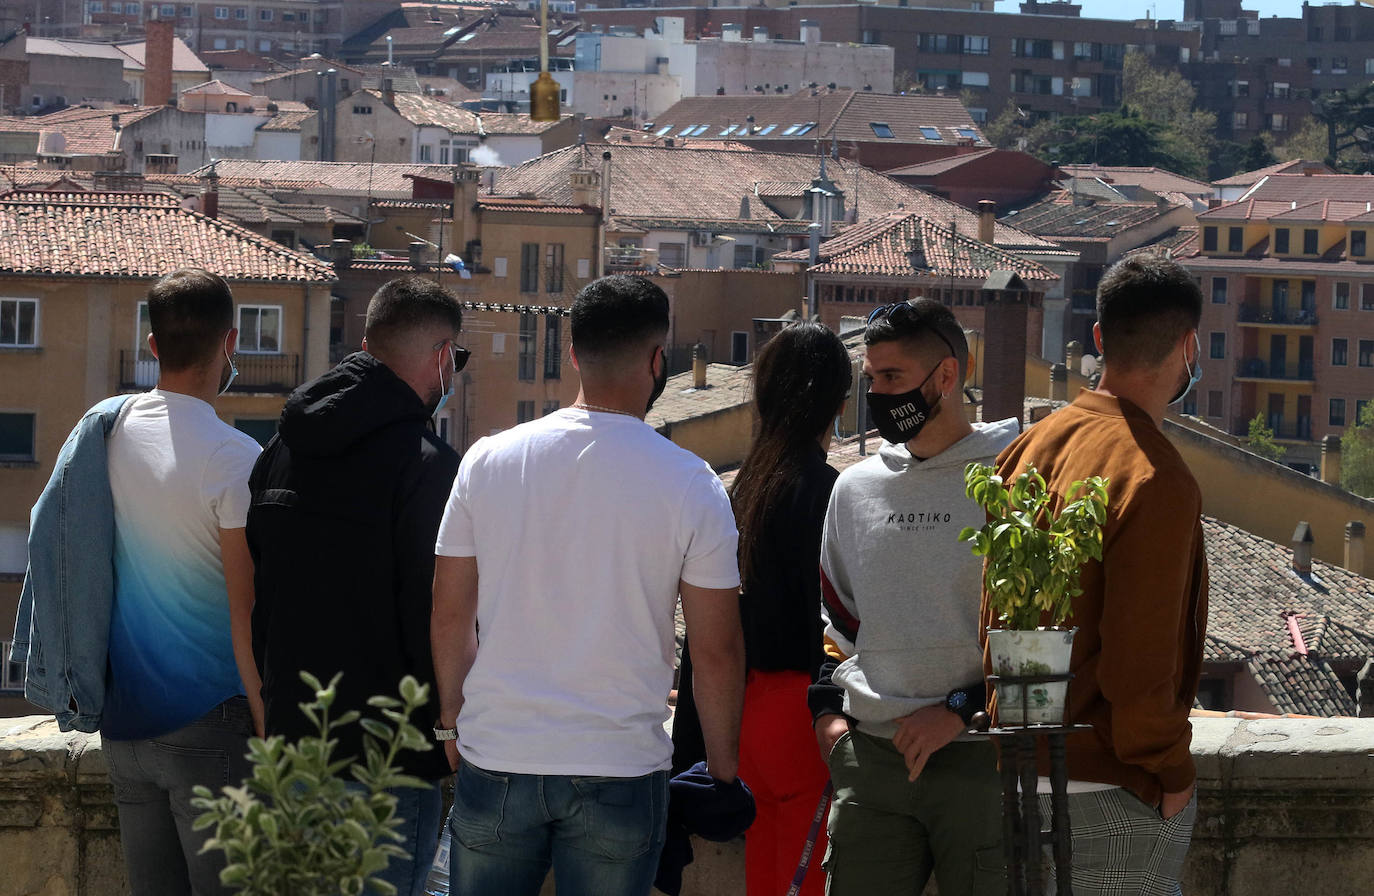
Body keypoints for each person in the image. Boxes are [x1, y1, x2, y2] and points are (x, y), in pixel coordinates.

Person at [431, 274, 746, 896]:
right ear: (659, 361)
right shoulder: (693, 483)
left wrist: (450, 724)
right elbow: (715, 649)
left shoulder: (486, 459)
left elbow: (448, 613)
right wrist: (724, 768)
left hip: (498, 757)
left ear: (572, 353)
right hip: (621, 767)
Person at [982, 254, 1209, 895]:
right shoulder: (1156, 478)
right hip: (1112, 785)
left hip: (1021, 766)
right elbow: (1139, 665)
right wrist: (1171, 769)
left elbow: (991, 615)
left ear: (1100, 337)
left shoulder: (1030, 446)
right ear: (1189, 346)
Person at [247, 276, 465, 896]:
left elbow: (261, 586)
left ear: (367, 344)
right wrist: (447, 732)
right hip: (388, 763)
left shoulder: (283, 446)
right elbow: (436, 614)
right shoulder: (427, 465)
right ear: (442, 356)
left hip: (295, 743)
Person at [809, 297, 1015, 896]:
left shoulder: (1012, 480)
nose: (877, 394)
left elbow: (1044, 635)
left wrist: (957, 709)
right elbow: (835, 621)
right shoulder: (854, 489)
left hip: (982, 762)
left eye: (893, 377)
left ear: (947, 376)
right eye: (871, 379)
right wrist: (830, 719)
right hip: (872, 763)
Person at [89, 269, 261, 895]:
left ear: (153, 346)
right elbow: (244, 613)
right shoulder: (235, 457)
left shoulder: (105, 436)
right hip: (209, 726)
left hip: (125, 724)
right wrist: (267, 719)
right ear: (230, 342)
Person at [671, 321, 851, 896]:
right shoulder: (828, 491)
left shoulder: (742, 489)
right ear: (838, 404)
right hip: (807, 716)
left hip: (744, 717)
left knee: (768, 880)